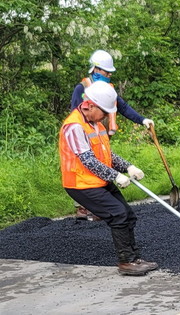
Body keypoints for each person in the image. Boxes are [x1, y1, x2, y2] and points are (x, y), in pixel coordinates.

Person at [59, 81, 158, 276]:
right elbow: (87, 159)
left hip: (98, 180)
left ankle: (135, 258)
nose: (106, 116)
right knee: (117, 214)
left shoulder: (95, 123)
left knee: (128, 215)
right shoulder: (74, 126)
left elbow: (106, 154)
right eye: (104, 112)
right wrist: (115, 176)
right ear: (91, 105)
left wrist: (127, 166)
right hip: (80, 183)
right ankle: (126, 263)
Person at [71, 50, 154, 220]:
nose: (109, 75)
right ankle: (82, 208)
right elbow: (75, 113)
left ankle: (99, 207)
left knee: (102, 162)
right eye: (106, 71)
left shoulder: (109, 89)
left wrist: (142, 119)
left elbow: (122, 107)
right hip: (83, 136)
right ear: (95, 69)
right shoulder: (82, 88)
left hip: (100, 135)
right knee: (85, 165)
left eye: (110, 72)